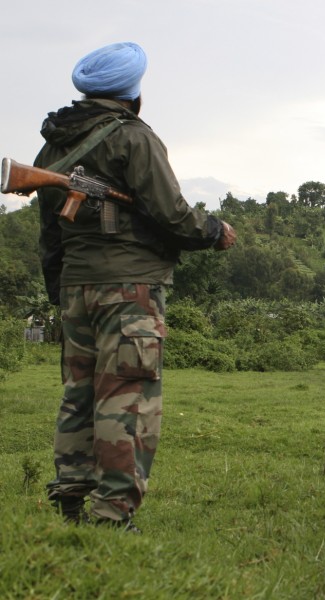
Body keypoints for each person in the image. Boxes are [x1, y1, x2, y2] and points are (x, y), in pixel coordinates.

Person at [37, 42, 237, 531]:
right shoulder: (134, 138)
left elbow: (48, 232)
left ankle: (69, 503)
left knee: (78, 395)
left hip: (76, 287)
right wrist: (213, 232)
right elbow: (173, 214)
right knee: (127, 396)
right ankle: (112, 517)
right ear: (134, 94)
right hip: (130, 289)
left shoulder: (54, 146)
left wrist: (59, 290)